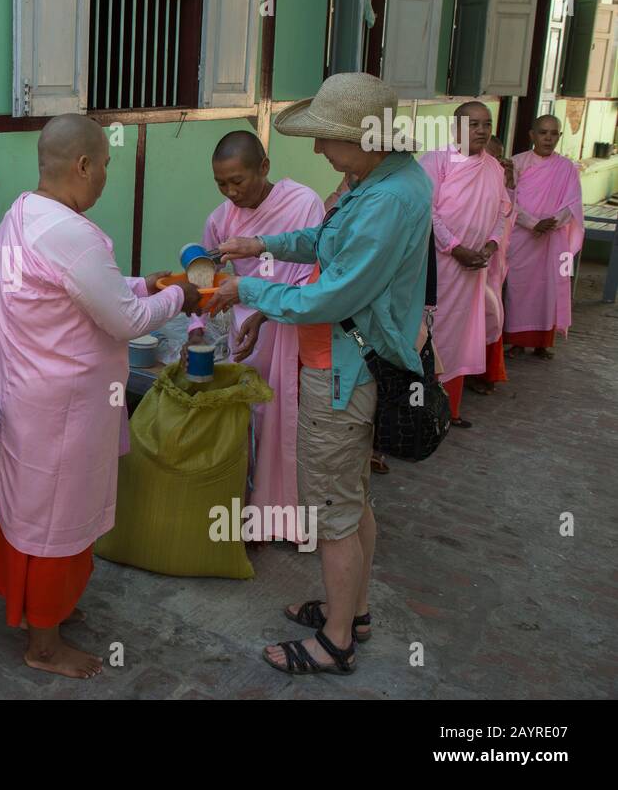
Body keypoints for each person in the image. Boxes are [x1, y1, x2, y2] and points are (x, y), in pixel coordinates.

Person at [211, 73, 432, 676]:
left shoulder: (387, 198)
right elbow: (325, 241)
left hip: (344, 368)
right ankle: (351, 610)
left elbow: (331, 296)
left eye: (325, 139)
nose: (317, 151)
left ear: (361, 137)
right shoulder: (379, 180)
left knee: (332, 511)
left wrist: (246, 288)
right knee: (352, 500)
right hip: (343, 362)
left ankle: (336, 642)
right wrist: (263, 244)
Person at [0, 114, 194, 679]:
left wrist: (147, 285)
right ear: (82, 165)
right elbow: (125, 322)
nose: (106, 173)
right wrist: (184, 298)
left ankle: (39, 613)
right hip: (61, 411)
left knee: (31, 511)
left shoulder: (25, 214)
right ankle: (44, 645)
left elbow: (87, 293)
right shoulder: (71, 234)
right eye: (104, 162)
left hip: (30, 400)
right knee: (59, 519)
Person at [185, 131, 323, 541]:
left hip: (286, 329)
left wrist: (263, 315)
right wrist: (197, 329)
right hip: (239, 334)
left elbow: (309, 278)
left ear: (264, 168)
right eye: (221, 184)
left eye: (238, 181)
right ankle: (241, 512)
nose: (230, 192)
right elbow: (206, 280)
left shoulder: (303, 203)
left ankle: (275, 518)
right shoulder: (221, 217)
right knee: (244, 423)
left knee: (283, 420)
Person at [417, 102, 511, 428]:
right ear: (456, 127)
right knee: (431, 335)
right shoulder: (435, 161)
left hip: (474, 269)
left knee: (459, 338)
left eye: (486, 124)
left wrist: (490, 244)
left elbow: (502, 210)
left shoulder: (494, 168)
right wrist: (455, 248)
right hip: (438, 268)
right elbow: (426, 211)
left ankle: (449, 410)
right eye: (473, 124)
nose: (482, 131)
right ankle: (421, 414)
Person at [504, 115, 583, 360]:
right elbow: (508, 200)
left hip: (554, 239)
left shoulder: (567, 167)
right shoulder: (517, 163)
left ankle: (542, 342)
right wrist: (533, 223)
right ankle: (516, 340)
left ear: (559, 136)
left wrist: (551, 223)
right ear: (532, 135)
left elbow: (573, 203)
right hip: (523, 237)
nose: (548, 138)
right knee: (520, 287)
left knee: (551, 287)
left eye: (553, 133)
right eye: (543, 132)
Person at [469, 135, 514, 394]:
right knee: (483, 316)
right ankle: (469, 373)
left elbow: (507, 216)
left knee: (492, 318)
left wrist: (509, 185)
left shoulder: (499, 181)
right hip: (469, 263)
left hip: (494, 261)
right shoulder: (464, 179)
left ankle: (485, 371)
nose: (493, 162)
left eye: (498, 157)